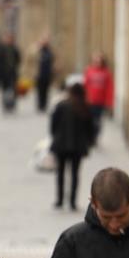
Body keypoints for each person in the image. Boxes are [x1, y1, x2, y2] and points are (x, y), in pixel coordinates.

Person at [49, 82, 95, 210]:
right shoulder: (85, 107)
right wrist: (90, 142)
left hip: (61, 145)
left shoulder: (61, 105)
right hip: (78, 146)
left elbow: (53, 125)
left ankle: (59, 200)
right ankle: (72, 202)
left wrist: (55, 137)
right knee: (75, 174)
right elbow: (90, 129)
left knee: (60, 173)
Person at [83, 54, 114, 144]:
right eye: (95, 61)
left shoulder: (106, 73)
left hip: (100, 102)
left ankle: (95, 137)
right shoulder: (89, 71)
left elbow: (109, 88)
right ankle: (89, 136)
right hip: (89, 101)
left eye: (98, 61)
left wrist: (109, 102)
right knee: (89, 120)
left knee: (97, 121)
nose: (96, 63)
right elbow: (85, 85)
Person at [36, 39, 54, 113]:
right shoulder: (38, 52)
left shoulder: (50, 52)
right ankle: (40, 104)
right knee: (40, 91)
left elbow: (54, 61)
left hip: (47, 75)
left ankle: (44, 105)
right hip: (39, 75)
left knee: (46, 91)